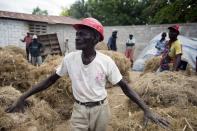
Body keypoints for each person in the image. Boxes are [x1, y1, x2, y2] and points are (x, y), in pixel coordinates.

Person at [6, 18, 169, 131]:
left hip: (101, 110)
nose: (77, 37)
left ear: (96, 38)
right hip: (79, 110)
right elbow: (49, 81)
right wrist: (22, 97)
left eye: (82, 34)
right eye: (77, 34)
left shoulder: (106, 62)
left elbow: (125, 87)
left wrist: (147, 110)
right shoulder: (70, 59)